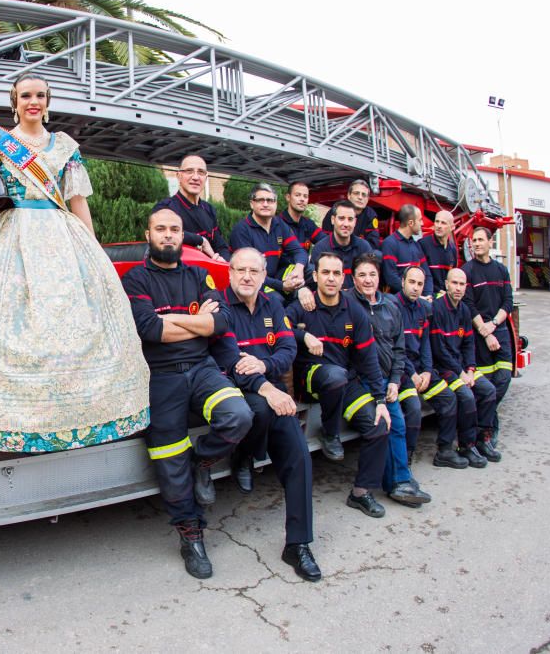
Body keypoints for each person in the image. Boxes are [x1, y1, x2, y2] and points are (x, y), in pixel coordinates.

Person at [0, 73, 150, 452]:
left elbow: (78, 203)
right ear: (15, 101)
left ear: (48, 101)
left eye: (40, 95)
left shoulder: (65, 148)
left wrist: (96, 254)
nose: (33, 102)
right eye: (26, 95)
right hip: (8, 239)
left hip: (61, 238)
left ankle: (75, 416)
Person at [122, 209, 254, 579]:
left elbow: (222, 323)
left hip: (202, 370)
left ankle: (204, 461)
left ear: (183, 236)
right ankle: (191, 534)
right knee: (168, 461)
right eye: (161, 229)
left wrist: (176, 323)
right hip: (159, 377)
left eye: (175, 230)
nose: (168, 235)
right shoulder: (136, 280)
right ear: (148, 233)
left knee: (239, 416)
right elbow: (150, 330)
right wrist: (200, 324)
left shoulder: (200, 275)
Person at [210, 247, 321, 582]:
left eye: (254, 271)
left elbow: (287, 348)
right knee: (259, 407)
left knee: (300, 455)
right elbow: (229, 359)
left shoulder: (273, 303)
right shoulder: (218, 305)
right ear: (229, 272)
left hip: (269, 387)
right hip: (232, 392)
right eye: (240, 270)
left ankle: (298, 544)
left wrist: (264, 365)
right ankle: (245, 453)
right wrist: (269, 387)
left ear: (263, 275)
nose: (247, 276)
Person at [285, 253, 392, 517]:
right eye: (326, 273)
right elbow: (278, 327)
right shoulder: (303, 306)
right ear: (315, 276)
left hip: (346, 379)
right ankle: (330, 433)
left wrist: (380, 401)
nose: (331, 278)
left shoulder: (354, 311)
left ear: (342, 278)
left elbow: (368, 359)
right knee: (334, 376)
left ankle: (361, 493)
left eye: (336, 273)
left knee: (379, 426)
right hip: (311, 378)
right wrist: (303, 335)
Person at [348, 254, 431, 507]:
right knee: (382, 425)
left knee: (398, 425)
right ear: (353, 278)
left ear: (379, 277)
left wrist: (395, 380)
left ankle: (400, 480)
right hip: (360, 379)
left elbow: (399, 348)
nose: (368, 280)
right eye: (362, 275)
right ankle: (391, 483)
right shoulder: (347, 303)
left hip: (386, 380)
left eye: (372, 274)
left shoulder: (390, 307)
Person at [396, 266, 472, 469]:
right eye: (411, 282)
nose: (415, 288)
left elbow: (426, 344)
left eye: (420, 284)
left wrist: (428, 371)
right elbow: (396, 348)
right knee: (413, 408)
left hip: (422, 371)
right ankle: (405, 460)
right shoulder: (393, 306)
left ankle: (445, 451)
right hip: (402, 371)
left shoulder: (424, 308)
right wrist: (412, 373)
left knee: (448, 398)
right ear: (402, 281)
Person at [429, 268, 499, 467]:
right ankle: (465, 446)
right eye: (455, 283)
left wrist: (470, 370)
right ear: (446, 284)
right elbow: (439, 350)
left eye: (462, 284)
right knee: (467, 398)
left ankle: (480, 440)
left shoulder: (465, 310)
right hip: (443, 368)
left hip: (461, 367)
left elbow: (469, 344)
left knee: (488, 391)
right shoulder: (437, 309)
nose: (458, 288)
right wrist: (461, 373)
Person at [463, 227, 512, 453]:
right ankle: (487, 433)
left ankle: (487, 424)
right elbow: (469, 305)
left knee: (503, 379)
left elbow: (507, 302)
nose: (477, 243)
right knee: (487, 385)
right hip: (480, 334)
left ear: (490, 242)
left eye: (481, 240)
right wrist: (485, 331)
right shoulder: (468, 271)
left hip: (498, 329)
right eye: (474, 240)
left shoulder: (501, 270)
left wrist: (494, 325)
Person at [228, 183, 307, 303]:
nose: (265, 204)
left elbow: (299, 251)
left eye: (270, 200)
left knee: (310, 270)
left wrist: (298, 270)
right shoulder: (242, 230)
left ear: (276, 204)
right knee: (276, 300)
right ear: (252, 204)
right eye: (260, 200)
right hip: (254, 282)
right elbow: (249, 271)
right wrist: (282, 286)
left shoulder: (279, 224)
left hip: (277, 277)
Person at [152, 155, 230, 261]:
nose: (196, 177)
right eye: (189, 171)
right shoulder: (165, 208)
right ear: (179, 176)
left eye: (201, 172)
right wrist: (201, 240)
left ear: (206, 178)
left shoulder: (209, 209)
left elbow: (220, 245)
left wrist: (223, 260)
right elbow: (163, 236)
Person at [306, 201, 373, 293]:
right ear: (333, 220)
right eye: (341, 218)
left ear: (355, 222)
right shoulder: (320, 249)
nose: (346, 224)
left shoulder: (364, 247)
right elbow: (314, 284)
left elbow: (369, 280)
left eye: (350, 219)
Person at [381, 204, 433, 297]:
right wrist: (415, 296)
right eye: (420, 220)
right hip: (397, 302)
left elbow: (427, 275)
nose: (422, 224)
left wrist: (428, 296)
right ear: (411, 223)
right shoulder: (390, 243)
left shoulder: (416, 245)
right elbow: (391, 278)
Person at [321, 179, 381, 250]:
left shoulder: (370, 215)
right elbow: (324, 238)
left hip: (360, 254)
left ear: (368, 199)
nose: (360, 197)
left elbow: (373, 244)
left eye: (364, 195)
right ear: (349, 196)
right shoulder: (336, 210)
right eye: (356, 193)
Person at [419, 210, 458, 293]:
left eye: (443, 223)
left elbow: (451, 277)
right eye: (437, 222)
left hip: (445, 297)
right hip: (428, 295)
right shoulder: (423, 244)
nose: (439, 226)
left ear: (452, 227)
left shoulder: (453, 249)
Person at [280, 181, 326, 252]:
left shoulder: (308, 224)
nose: (302, 199)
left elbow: (326, 242)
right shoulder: (277, 223)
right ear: (288, 197)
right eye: (297, 195)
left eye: (305, 196)